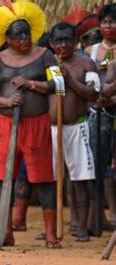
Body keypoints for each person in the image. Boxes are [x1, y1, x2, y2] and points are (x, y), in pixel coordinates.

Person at [0, 0, 64, 248]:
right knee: (2, 176)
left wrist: (31, 85)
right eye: (18, 35)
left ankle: (50, 234)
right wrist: (5, 101)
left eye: (27, 33)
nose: (24, 38)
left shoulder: (45, 55)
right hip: (7, 126)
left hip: (37, 125)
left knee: (43, 178)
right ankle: (5, 231)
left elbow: (58, 85)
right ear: (6, 38)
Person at [49, 22, 99, 241]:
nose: (63, 45)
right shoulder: (47, 64)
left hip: (78, 127)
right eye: (58, 41)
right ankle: (62, 223)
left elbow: (93, 94)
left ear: (76, 42)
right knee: (57, 177)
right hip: (52, 129)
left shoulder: (86, 63)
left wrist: (69, 79)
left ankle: (81, 225)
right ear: (51, 43)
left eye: (68, 40)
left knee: (80, 178)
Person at [85, 4, 116, 231]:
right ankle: (103, 215)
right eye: (105, 22)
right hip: (97, 113)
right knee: (100, 165)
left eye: (113, 22)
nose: (109, 26)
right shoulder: (90, 51)